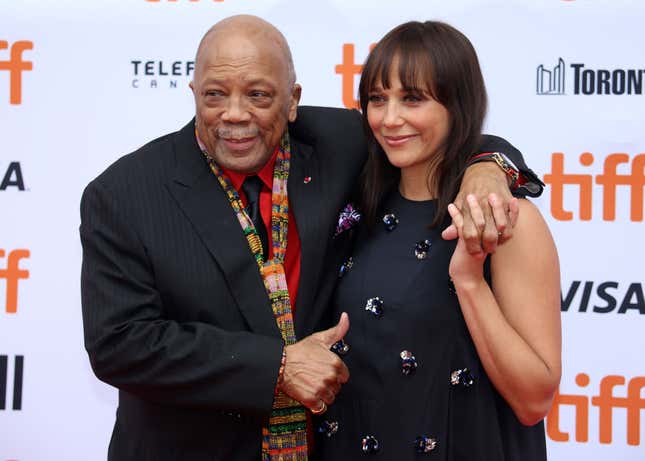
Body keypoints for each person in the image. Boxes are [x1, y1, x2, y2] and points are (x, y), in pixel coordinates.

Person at [79, 15, 543, 461]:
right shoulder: (125, 194)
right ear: (193, 93)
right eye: (214, 94)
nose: (234, 115)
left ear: (293, 99)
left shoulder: (339, 144)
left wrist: (489, 167)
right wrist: (276, 367)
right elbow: (119, 344)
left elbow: (445, 132)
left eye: (259, 95)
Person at [316, 21, 561, 460]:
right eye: (377, 99)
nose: (389, 119)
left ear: (457, 104)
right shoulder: (355, 209)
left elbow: (534, 400)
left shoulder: (504, 219)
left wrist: (470, 283)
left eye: (413, 98)